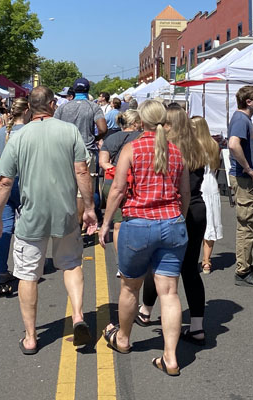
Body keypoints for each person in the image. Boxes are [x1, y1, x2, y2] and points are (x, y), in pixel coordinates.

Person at [0, 87, 98, 355]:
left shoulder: (19, 136)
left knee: (27, 275)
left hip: (31, 214)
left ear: (29, 108)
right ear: (51, 104)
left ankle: (30, 336)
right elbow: (82, 170)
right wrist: (90, 207)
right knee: (71, 265)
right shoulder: (69, 131)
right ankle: (79, 316)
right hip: (65, 213)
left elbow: (4, 181)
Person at [99, 99, 190, 376]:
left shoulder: (131, 148)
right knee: (170, 292)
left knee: (130, 287)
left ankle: (124, 338)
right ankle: (171, 357)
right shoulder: (176, 152)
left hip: (138, 223)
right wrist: (179, 216)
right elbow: (184, 193)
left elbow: (117, 189)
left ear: (141, 121)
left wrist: (105, 223)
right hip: (172, 223)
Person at [137, 106, 211, 343]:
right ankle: (197, 325)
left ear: (168, 124)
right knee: (190, 268)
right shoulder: (198, 146)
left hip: (172, 209)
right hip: (198, 209)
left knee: (159, 264)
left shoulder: (168, 149)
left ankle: (146, 310)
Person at [55, 78, 107, 233]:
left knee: (65, 187)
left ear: (73, 90)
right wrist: (95, 137)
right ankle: (77, 228)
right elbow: (103, 128)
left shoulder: (63, 107)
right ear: (88, 89)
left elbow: (54, 125)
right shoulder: (93, 107)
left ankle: (64, 223)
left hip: (65, 150)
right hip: (86, 150)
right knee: (82, 191)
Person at [0, 96, 29, 294]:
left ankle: (3, 270)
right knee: (25, 227)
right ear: (27, 110)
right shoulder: (31, 132)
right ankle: (24, 267)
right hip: (25, 184)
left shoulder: (1, 133)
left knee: (3, 229)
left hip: (4, 183)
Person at [227, 84, 253, 286]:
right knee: (247, 224)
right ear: (248, 101)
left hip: (246, 178)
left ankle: (245, 265)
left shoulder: (244, 119)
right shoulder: (241, 119)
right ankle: (242, 270)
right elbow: (233, 144)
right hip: (243, 178)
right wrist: (248, 168)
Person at [99, 108, 142, 249]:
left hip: (112, 181)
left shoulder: (111, 138)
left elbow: (103, 162)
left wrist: (117, 171)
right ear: (136, 123)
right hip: (135, 182)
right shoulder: (141, 137)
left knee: (118, 225)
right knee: (137, 223)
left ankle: (120, 265)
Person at [191, 116, 223, 274]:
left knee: (195, 223)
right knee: (210, 223)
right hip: (211, 184)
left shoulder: (192, 146)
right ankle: (206, 261)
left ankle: (194, 259)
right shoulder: (213, 144)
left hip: (198, 184)